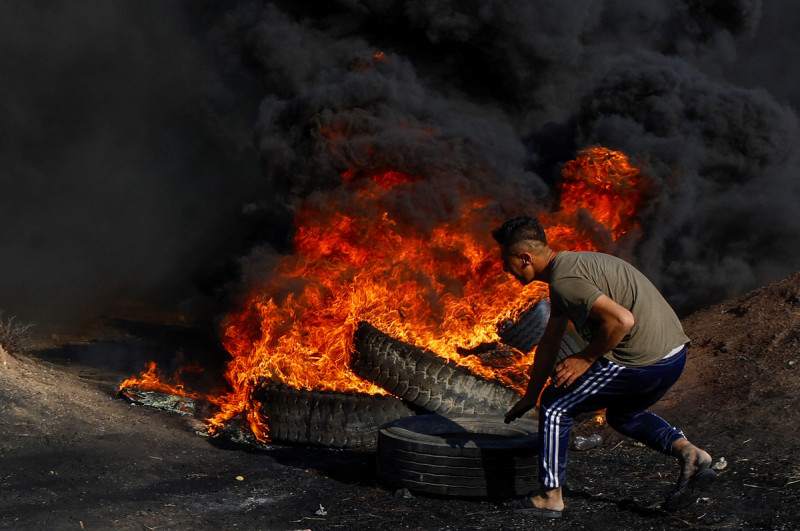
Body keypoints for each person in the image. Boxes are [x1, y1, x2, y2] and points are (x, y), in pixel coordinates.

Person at [493, 215, 715, 518]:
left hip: (642, 359)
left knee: (556, 406)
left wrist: (585, 358)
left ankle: (550, 497)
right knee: (623, 415)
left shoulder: (565, 281)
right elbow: (549, 342)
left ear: (525, 257)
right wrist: (530, 395)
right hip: (673, 356)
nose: (505, 268)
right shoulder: (568, 269)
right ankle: (690, 453)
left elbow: (622, 320)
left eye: (506, 261)